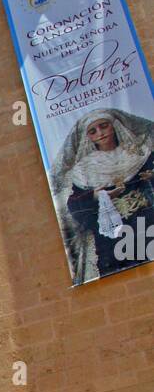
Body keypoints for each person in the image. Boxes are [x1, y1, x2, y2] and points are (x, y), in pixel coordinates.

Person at [53, 108, 154, 283]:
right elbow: (75, 205)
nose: (100, 133)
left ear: (113, 127)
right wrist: (96, 196)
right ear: (88, 137)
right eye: (93, 131)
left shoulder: (139, 153)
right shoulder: (84, 170)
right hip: (116, 235)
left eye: (104, 126)